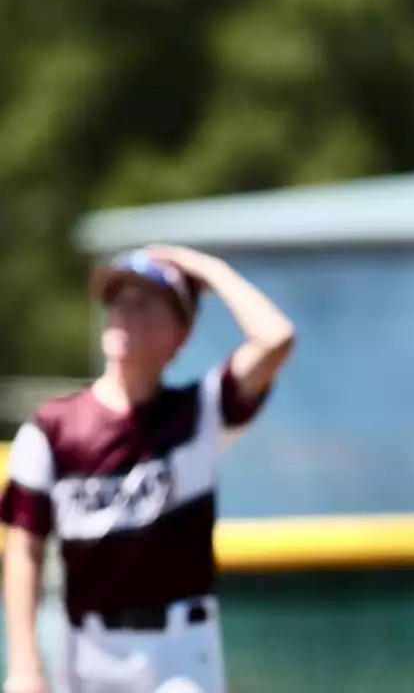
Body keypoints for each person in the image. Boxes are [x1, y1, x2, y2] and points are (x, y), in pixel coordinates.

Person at [1, 246, 295, 693]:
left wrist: (205, 269)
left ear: (178, 335)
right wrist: (24, 664)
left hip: (179, 651)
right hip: (87, 650)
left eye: (143, 303)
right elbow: (24, 548)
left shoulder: (198, 413)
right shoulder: (52, 429)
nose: (122, 312)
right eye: (117, 300)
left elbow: (276, 339)